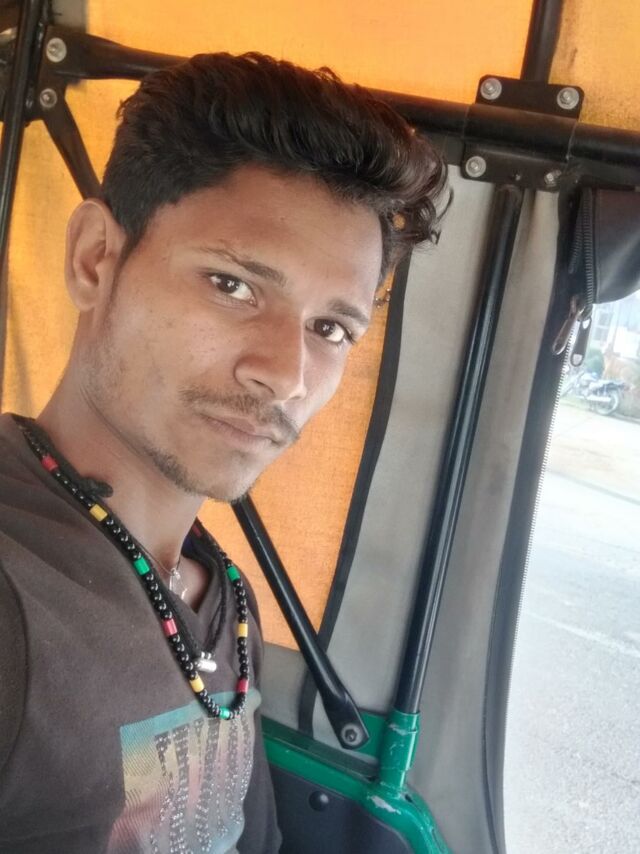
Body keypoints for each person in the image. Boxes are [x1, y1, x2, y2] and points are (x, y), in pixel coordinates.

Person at [0, 52, 446, 853]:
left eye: (330, 328)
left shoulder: (224, 596)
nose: (286, 374)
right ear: (95, 259)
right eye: (233, 285)